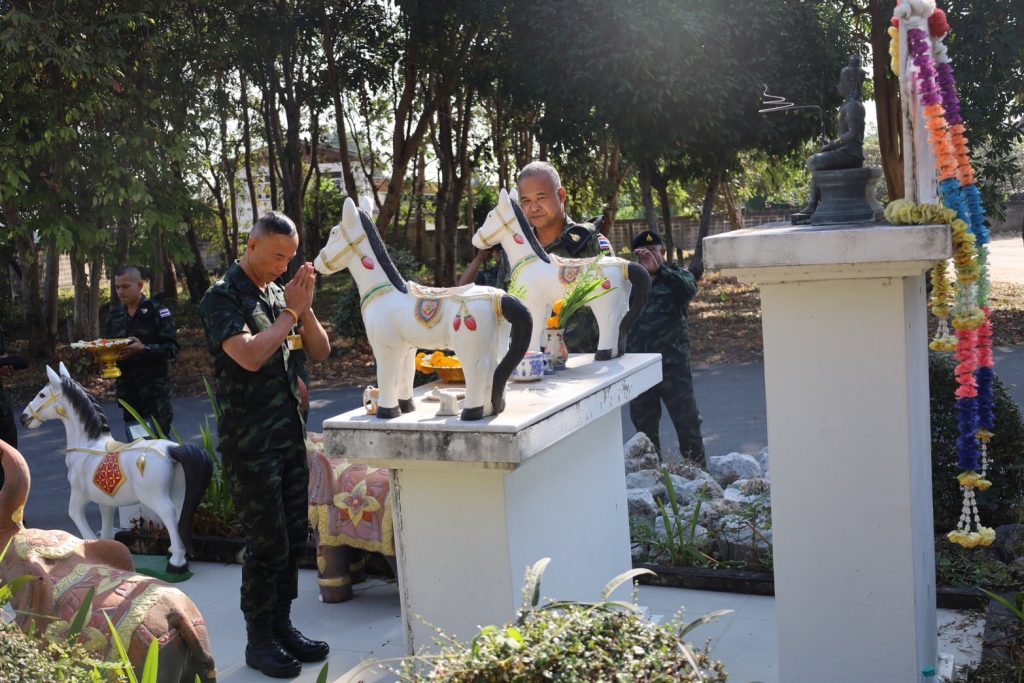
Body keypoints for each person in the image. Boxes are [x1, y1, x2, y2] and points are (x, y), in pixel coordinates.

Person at [199, 211, 331, 679]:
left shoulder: (279, 294)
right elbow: (251, 355)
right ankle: (259, 640)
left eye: (290, 258)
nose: (284, 266)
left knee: (292, 538)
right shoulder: (222, 297)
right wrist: (291, 313)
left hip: (288, 437)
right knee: (266, 543)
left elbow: (320, 351)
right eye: (277, 256)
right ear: (252, 245)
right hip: (250, 445)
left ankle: (282, 626)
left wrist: (303, 307)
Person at [460, 161, 614, 352]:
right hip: (528, 361)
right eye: (526, 201)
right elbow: (502, 309)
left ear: (561, 195)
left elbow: (614, 303)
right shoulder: (516, 253)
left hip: (585, 361)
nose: (533, 208)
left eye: (541, 198)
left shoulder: (590, 243)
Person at [627, 230, 705, 464]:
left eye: (653, 251)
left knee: (688, 425)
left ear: (662, 252)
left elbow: (689, 290)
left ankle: (699, 475)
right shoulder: (627, 284)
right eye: (643, 253)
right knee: (644, 432)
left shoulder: (676, 277)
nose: (648, 257)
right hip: (639, 366)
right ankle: (653, 477)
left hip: (673, 366)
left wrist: (660, 270)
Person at [106, 266, 179, 439]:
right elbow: (110, 346)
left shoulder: (158, 312)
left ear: (139, 286)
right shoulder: (115, 315)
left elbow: (172, 349)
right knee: (136, 444)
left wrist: (144, 348)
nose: (120, 291)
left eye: (125, 286)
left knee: (158, 443)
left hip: (154, 393)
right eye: (117, 287)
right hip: (128, 392)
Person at [792, 56, 868, 223]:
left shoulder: (854, 106)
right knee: (817, 162)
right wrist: (831, 144)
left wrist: (832, 145)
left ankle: (813, 204)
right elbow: (846, 135)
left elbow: (853, 134)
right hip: (844, 151)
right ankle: (813, 204)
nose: (838, 85)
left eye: (841, 81)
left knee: (813, 161)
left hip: (851, 154)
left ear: (850, 83)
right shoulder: (847, 105)